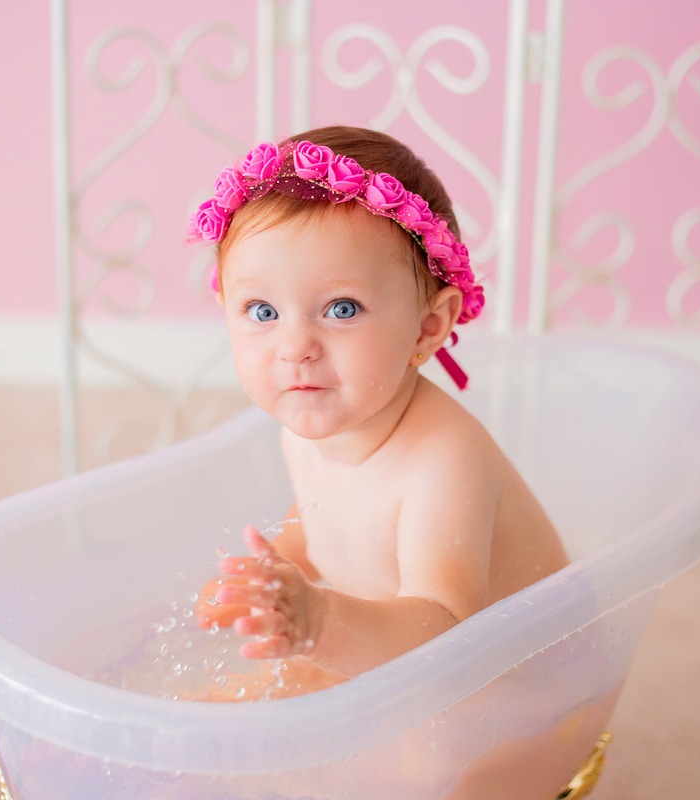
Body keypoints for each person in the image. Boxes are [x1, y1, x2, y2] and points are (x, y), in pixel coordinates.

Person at [188, 125, 568, 685]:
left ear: (427, 327)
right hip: (386, 648)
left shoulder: (443, 460)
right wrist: (270, 576)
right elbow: (319, 527)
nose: (295, 349)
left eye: (341, 309)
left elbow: (444, 631)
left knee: (389, 766)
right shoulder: (309, 423)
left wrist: (318, 620)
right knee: (240, 702)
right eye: (263, 312)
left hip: (506, 688)